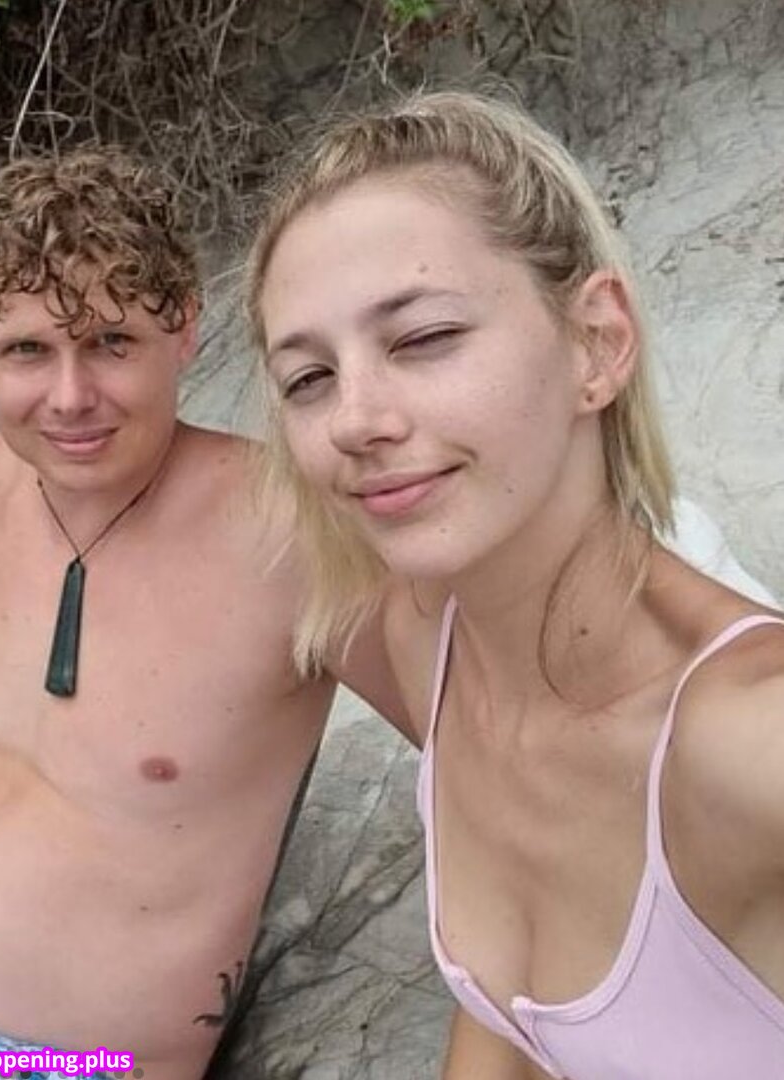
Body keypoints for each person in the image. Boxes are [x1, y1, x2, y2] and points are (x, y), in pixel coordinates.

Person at [246, 90, 784, 1078]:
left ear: (597, 342)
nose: (354, 419)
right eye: (308, 379)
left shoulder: (749, 743)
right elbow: (509, 1022)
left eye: (422, 338)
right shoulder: (432, 645)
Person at [0, 148, 409, 1080]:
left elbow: (484, 743)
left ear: (184, 328)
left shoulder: (286, 529)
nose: (71, 398)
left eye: (112, 342)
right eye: (27, 350)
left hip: (69, 1063)